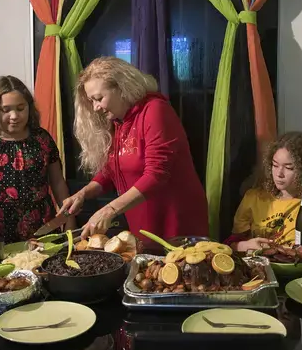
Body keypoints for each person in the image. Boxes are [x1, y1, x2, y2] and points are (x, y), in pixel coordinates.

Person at [58, 57, 208, 240]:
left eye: (99, 98)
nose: (96, 107)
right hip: (145, 222)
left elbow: (156, 175)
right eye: (91, 101)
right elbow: (110, 172)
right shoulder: (118, 122)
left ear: (122, 87)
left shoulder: (155, 110)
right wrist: (83, 194)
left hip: (175, 220)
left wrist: (110, 209)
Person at [0, 76, 75, 253]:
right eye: (5, 110)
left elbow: (57, 183)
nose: (14, 116)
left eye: (20, 108)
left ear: (29, 107)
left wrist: (68, 219)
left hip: (42, 231)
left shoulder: (42, 139)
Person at [229, 132, 302, 253]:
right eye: (275, 165)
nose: (279, 174)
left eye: (289, 168)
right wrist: (245, 245)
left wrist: (283, 250)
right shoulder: (254, 197)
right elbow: (232, 244)